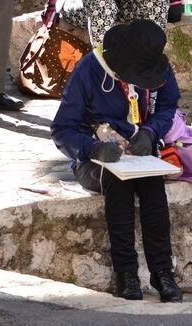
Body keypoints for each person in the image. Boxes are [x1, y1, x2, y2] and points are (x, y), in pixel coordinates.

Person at [51, 20, 183, 303]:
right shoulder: (89, 69)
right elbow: (62, 129)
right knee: (118, 183)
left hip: (138, 154)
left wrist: (150, 132)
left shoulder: (156, 64)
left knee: (152, 186)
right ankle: (127, 275)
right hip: (92, 159)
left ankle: (163, 273)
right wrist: (94, 148)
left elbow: (168, 104)